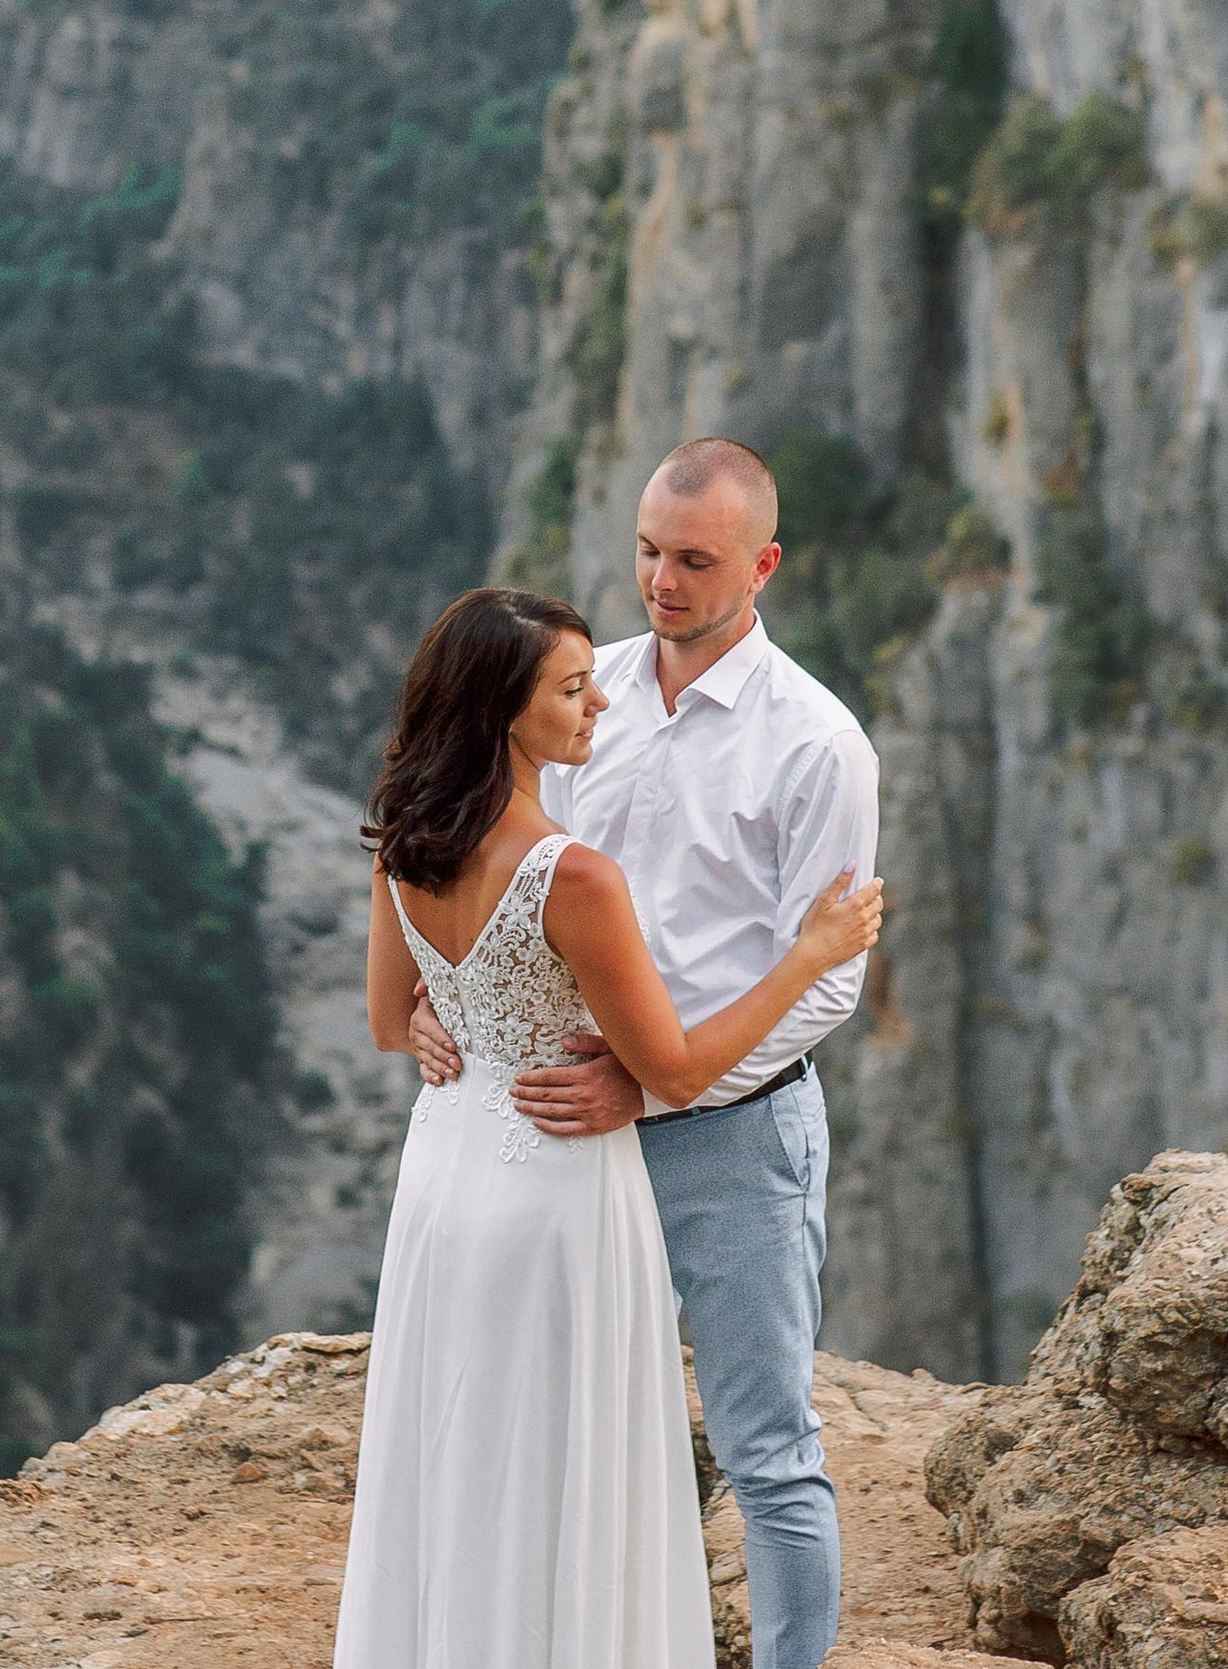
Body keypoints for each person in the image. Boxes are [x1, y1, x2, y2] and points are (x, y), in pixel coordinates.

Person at [335, 584, 881, 1669]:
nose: (599, 707)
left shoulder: (407, 833)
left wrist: (457, 1029)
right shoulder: (572, 872)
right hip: (559, 1186)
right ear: (504, 709)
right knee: (573, 1455)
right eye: (574, 691)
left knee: (462, 1448)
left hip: (449, 1177)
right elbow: (669, 1062)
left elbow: (385, 1019)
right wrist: (809, 958)